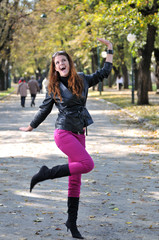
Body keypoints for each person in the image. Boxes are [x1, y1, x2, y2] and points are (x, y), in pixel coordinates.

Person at [19, 38, 113, 239]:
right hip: (63, 133)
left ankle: (72, 222)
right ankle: (47, 173)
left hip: (80, 133)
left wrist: (110, 49)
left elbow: (104, 72)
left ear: (69, 62)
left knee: (75, 180)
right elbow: (44, 110)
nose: (61, 64)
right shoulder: (53, 87)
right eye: (57, 63)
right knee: (87, 164)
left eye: (63, 60)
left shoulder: (82, 78)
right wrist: (31, 126)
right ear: (54, 68)